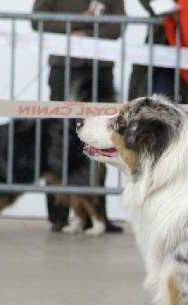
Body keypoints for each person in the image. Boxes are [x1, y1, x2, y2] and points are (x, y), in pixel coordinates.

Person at [31, 0, 125, 233]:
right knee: (58, 139)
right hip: (64, 67)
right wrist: (72, 29)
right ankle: (58, 214)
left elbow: (117, 26)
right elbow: (38, 19)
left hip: (99, 68)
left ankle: (96, 213)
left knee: (101, 138)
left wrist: (86, 32)